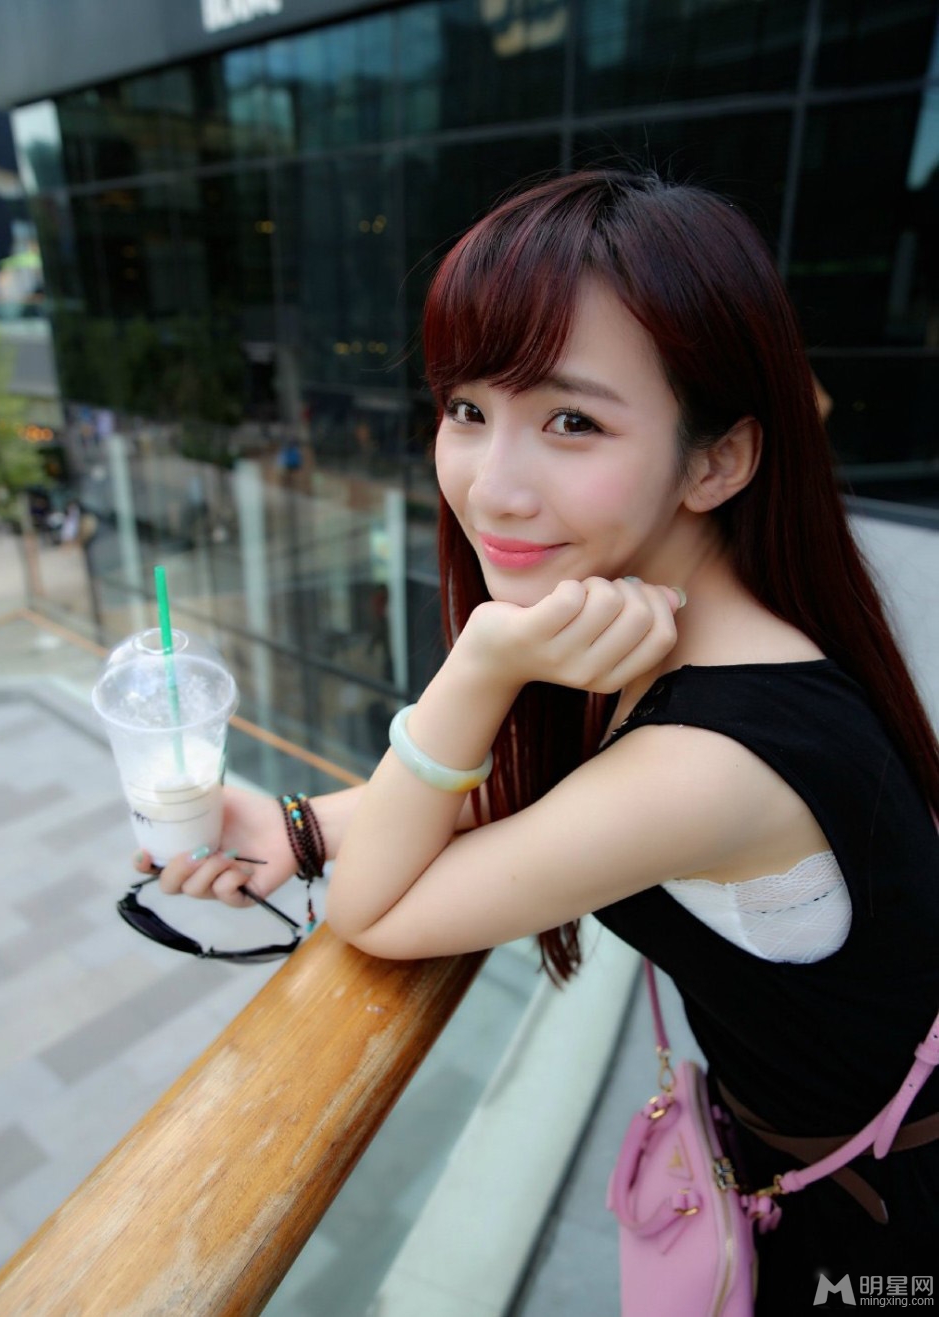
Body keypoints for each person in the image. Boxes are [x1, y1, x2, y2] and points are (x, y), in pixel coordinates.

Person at [135, 169, 939, 1310]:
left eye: (571, 421)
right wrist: (301, 826)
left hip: (876, 1228)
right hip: (821, 1148)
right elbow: (548, 791)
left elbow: (378, 914)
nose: (490, 486)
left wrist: (480, 663)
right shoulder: (691, 613)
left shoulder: (711, 761)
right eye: (467, 409)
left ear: (716, 460)